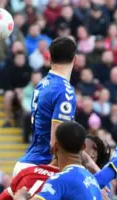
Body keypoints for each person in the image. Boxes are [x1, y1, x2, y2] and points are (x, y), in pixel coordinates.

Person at [14, 36, 78, 176]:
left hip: (28, 162)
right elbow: (56, 140)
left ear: (49, 59)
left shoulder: (42, 84)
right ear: (75, 60)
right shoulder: (64, 91)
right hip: (43, 167)